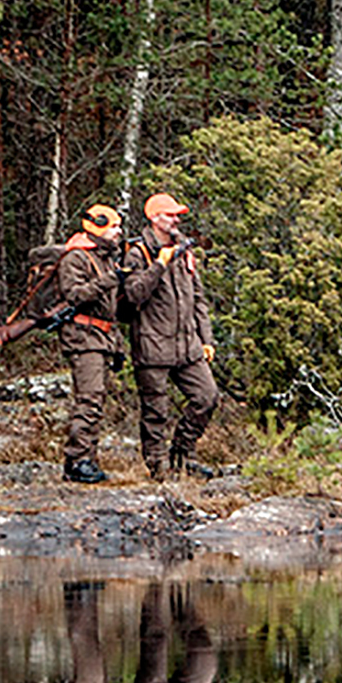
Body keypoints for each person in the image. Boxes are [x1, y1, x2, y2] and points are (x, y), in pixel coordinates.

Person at [120, 190, 218, 481]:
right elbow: (133, 293)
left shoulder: (184, 250)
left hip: (188, 346)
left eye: (178, 215)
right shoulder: (138, 253)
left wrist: (207, 339)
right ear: (154, 218)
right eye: (170, 215)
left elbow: (198, 299)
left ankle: (183, 454)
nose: (176, 220)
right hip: (152, 346)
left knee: (207, 396)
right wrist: (159, 264)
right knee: (155, 411)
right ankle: (158, 468)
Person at [56, 203, 125, 484]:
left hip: (101, 337)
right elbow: (74, 295)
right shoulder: (77, 258)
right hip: (83, 338)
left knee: (96, 399)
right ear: (96, 225)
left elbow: (110, 311)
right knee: (89, 399)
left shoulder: (106, 258)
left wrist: (118, 346)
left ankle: (88, 459)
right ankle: (77, 460)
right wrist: (111, 279)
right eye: (113, 227)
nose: (118, 232)